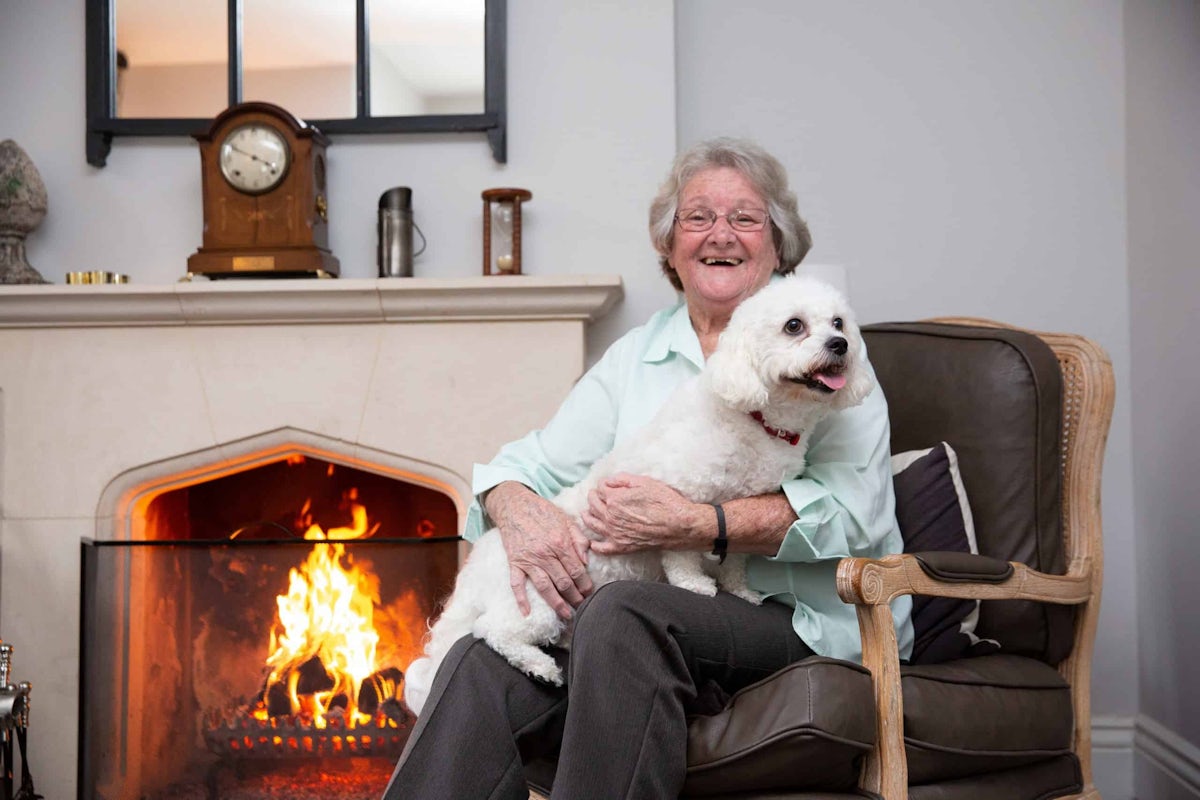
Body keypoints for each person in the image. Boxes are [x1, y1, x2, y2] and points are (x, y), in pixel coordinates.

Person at [382, 137, 914, 799]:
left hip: (799, 620)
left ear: (780, 245)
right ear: (669, 247)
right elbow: (529, 465)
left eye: (745, 219)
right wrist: (518, 511)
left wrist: (698, 524)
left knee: (621, 611)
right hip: (650, 629)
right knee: (478, 657)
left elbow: (855, 513)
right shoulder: (640, 356)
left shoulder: (825, 354)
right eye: (697, 218)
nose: (720, 235)